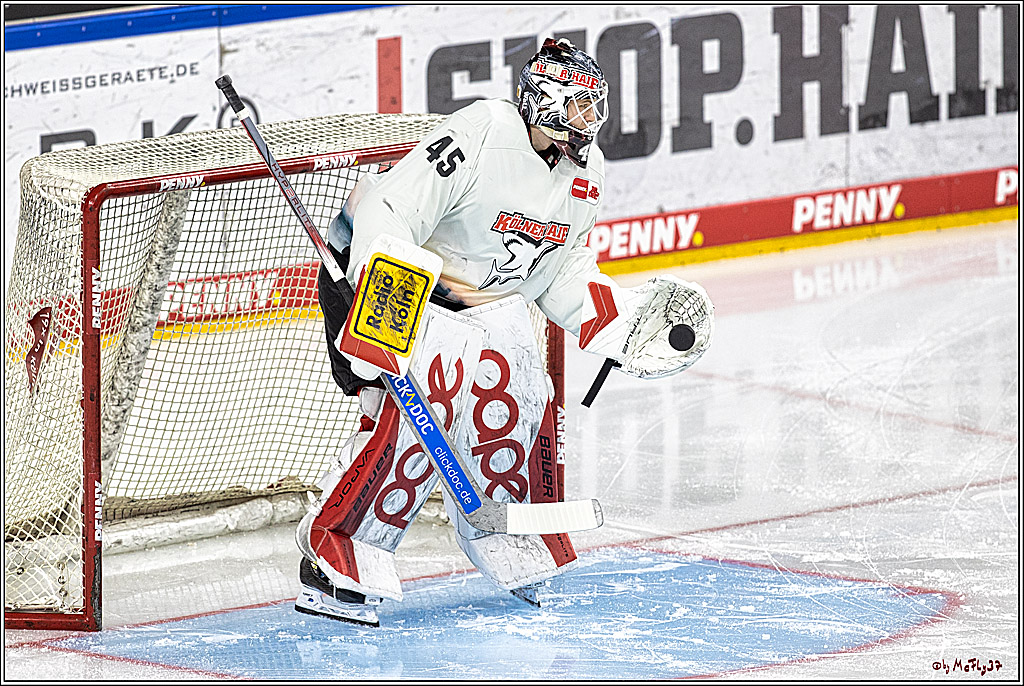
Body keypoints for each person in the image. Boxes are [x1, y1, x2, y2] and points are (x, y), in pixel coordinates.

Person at [294, 38, 713, 626]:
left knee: (520, 380)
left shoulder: (583, 175)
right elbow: (390, 209)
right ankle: (338, 546)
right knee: (421, 408)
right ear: (545, 102)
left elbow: (559, 268)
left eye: (597, 108)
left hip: (476, 304)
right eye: (581, 108)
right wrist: (383, 300)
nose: (591, 122)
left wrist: (617, 323)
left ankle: (504, 528)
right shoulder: (485, 129)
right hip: (384, 280)